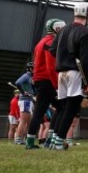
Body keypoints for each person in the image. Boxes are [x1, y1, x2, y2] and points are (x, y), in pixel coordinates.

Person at [50, 2, 88, 151]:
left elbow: (52, 50)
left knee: (62, 108)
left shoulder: (63, 30)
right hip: (75, 72)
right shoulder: (86, 33)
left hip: (60, 73)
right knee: (71, 109)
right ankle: (59, 142)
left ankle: (53, 140)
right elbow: (87, 59)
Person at [25, 18, 65, 149]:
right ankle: (43, 141)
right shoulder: (51, 42)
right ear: (57, 29)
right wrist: (57, 85)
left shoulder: (41, 42)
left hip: (41, 80)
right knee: (43, 110)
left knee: (57, 108)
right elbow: (50, 67)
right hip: (46, 81)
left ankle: (44, 140)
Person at [14, 62, 35, 145]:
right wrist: (23, 92)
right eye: (34, 68)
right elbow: (18, 83)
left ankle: (22, 138)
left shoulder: (31, 77)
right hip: (25, 100)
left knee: (27, 122)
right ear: (30, 68)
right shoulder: (26, 76)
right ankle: (18, 139)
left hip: (29, 100)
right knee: (23, 121)